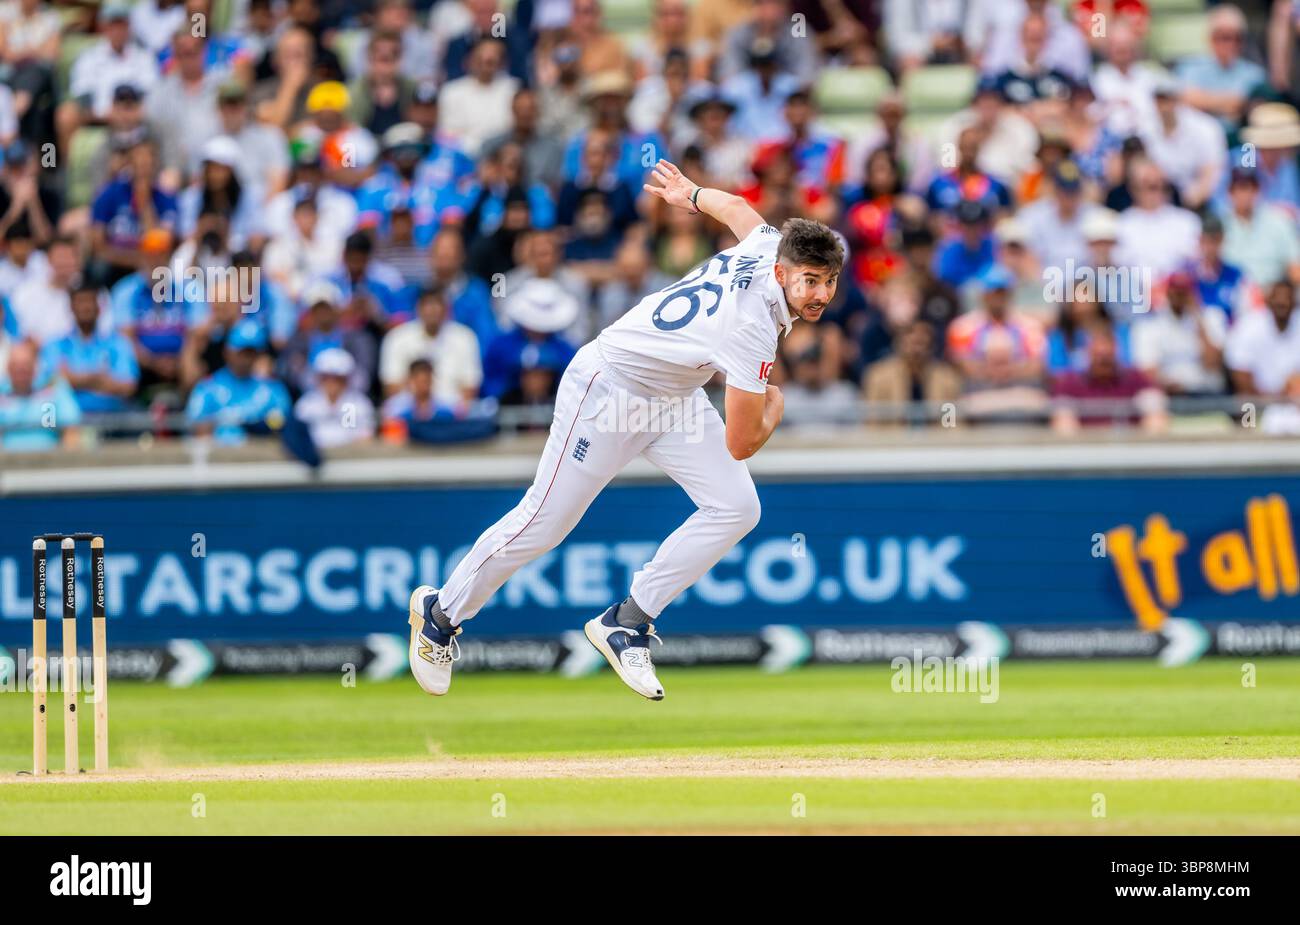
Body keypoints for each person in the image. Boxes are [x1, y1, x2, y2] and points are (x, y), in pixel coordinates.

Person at [405, 159, 843, 702]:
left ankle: (627, 621)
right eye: (810, 281)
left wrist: (692, 193)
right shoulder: (753, 325)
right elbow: (742, 440)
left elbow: (733, 208)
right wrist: (774, 407)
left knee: (736, 507)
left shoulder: (767, 243)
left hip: (674, 395)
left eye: (828, 281)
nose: (820, 292)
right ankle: (441, 612)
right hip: (610, 389)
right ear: (782, 273)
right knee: (545, 522)